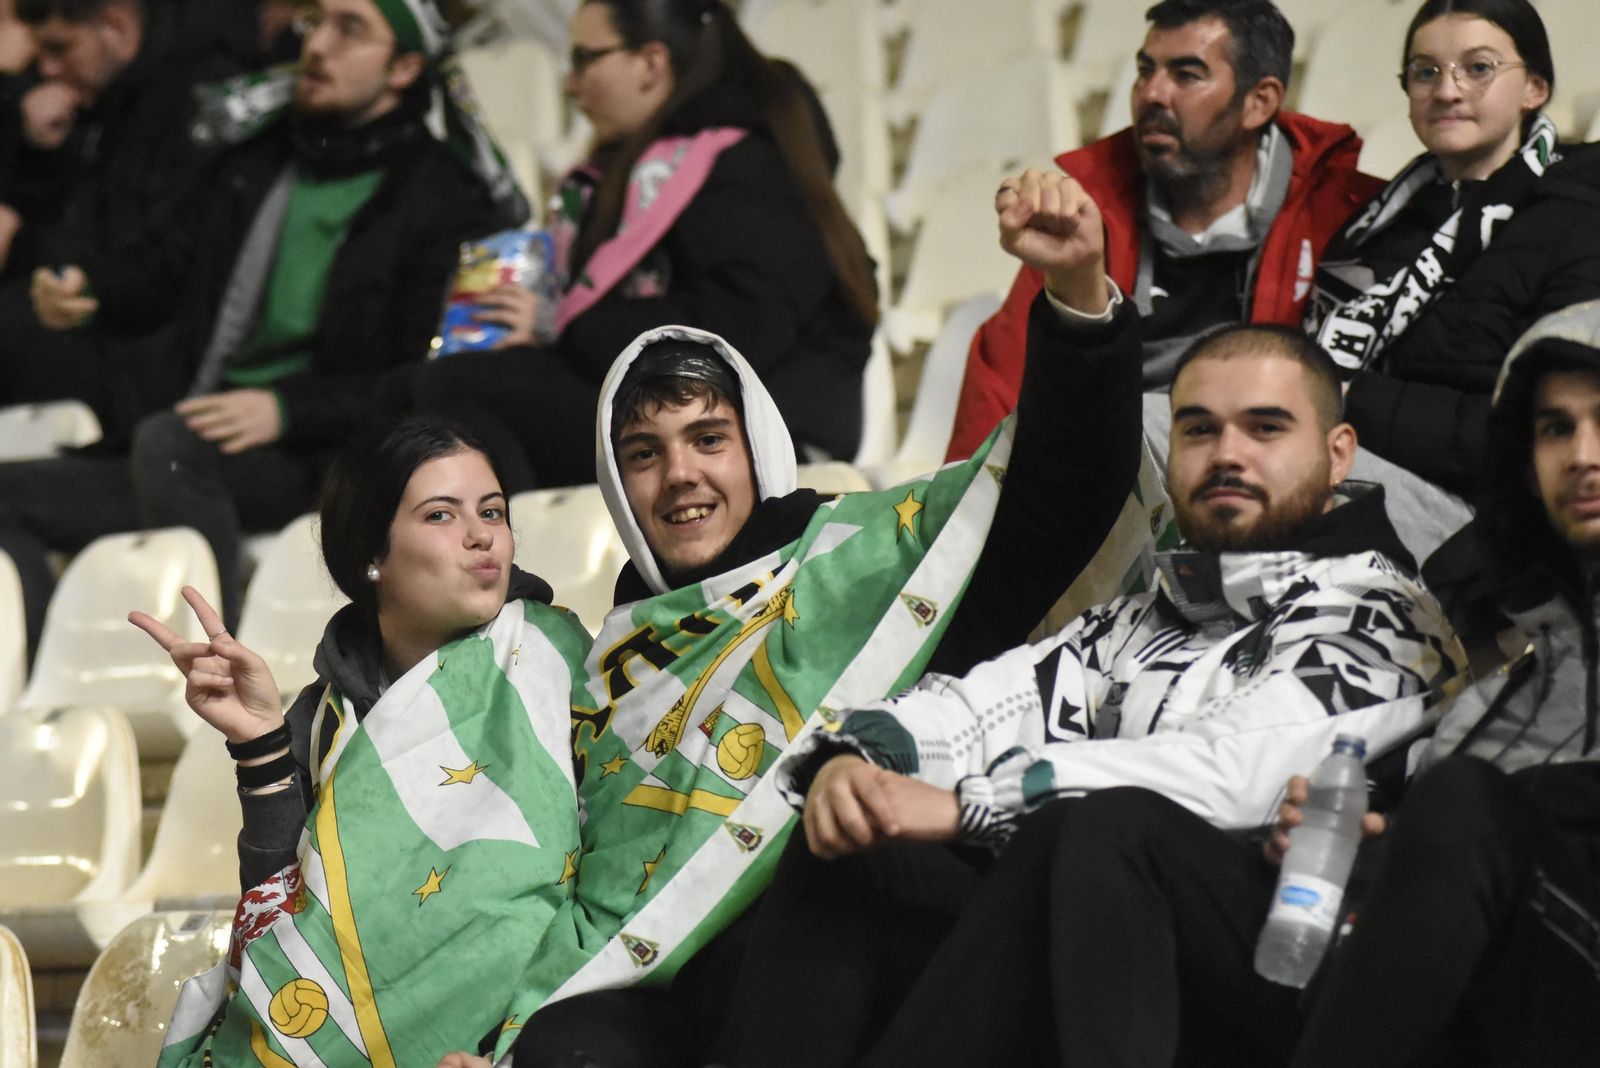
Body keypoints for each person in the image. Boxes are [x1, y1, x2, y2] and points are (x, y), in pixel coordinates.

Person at [428, 168, 1155, 1068]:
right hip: (665, 970)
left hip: (853, 924)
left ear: (758, 446)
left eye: (708, 439)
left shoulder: (876, 556)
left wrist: (1077, 297)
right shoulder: (609, 665)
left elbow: (1060, 495)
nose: (681, 476)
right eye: (644, 454)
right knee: (566, 1047)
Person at [763, 296, 1468, 1068]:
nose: (1227, 455)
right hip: (1110, 944)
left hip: (1285, 978)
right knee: (857, 832)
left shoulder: (1386, 613)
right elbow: (987, 705)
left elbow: (1226, 775)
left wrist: (971, 804)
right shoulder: (1154, 609)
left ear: (1338, 454)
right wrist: (860, 761)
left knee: (1104, 825)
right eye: (1198, 429)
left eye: (1266, 428)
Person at [0, 0, 511, 648]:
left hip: (324, 460)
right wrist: (90, 290)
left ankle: (225, 666)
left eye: (349, 30)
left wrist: (286, 410)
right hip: (194, 449)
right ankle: (39, 677)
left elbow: (422, 380)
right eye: (315, 23)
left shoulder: (444, 198)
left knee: (170, 445)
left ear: (405, 68)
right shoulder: (257, 159)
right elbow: (164, 263)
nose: (316, 45)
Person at [141, 417, 595, 1068]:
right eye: (441, 515)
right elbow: (287, 919)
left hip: (533, 1027)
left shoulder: (562, 660)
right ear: (371, 556)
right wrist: (262, 748)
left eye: (492, 511)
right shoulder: (324, 719)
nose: (481, 535)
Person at [1274, 298, 1600, 1066]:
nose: (1583, 454)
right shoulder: (1502, 689)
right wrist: (1360, 845)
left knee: (1462, 804)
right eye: (1555, 429)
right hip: (1491, 993)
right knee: (1119, 834)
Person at [403, 0, 879, 490]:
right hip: (692, 405)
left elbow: (743, 327)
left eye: (586, 59)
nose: (571, 85)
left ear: (651, 63)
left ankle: (509, 534)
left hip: (763, 426)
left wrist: (566, 326)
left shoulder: (742, 167)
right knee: (419, 392)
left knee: (459, 389)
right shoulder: (670, 162)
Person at [945, 0, 1385, 462]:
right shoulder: (1089, 215)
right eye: (1145, 71)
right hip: (1117, 484)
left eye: (1186, 75)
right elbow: (997, 395)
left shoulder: (1345, 217)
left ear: (1259, 102)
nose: (1151, 93)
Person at [1306, 0, 1600, 577]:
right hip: (1361, 465)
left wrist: (1338, 395)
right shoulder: (1380, 224)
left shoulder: (1581, 217)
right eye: (1426, 72)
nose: (1446, 91)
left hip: (1485, 517)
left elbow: (1539, 435)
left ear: (1535, 87)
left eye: (1478, 68)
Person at [0, 0, 262, 403]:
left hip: (151, 352)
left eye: (60, 48)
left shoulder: (196, 102)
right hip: (96, 311)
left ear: (117, 27)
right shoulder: (102, 89)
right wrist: (39, 151)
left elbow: (147, 262)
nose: (48, 68)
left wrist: (22, 245)